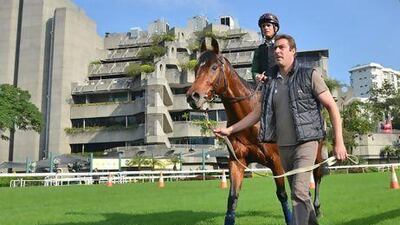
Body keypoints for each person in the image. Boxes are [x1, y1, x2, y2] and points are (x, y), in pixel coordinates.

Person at [214, 34, 348, 225]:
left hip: (306, 142)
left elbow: (332, 107)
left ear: (293, 51)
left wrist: (339, 142)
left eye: (282, 47)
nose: (277, 51)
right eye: (275, 47)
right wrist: (230, 130)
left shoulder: (310, 75)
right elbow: (255, 115)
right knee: (300, 194)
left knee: (300, 192)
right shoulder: (270, 82)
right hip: (283, 146)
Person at [251, 13, 280, 83]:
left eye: (268, 25)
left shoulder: (282, 45)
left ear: (275, 28)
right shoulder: (259, 50)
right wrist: (257, 76)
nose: (265, 28)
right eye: (263, 26)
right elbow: (254, 71)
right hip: (265, 86)